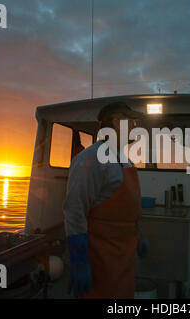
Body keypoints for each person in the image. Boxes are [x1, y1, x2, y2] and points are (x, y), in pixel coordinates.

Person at [63, 101, 149, 299]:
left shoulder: (124, 159)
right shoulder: (90, 158)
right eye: (131, 122)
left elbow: (129, 206)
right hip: (100, 258)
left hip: (124, 256)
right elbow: (74, 212)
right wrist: (79, 260)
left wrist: (139, 233)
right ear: (117, 123)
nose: (135, 128)